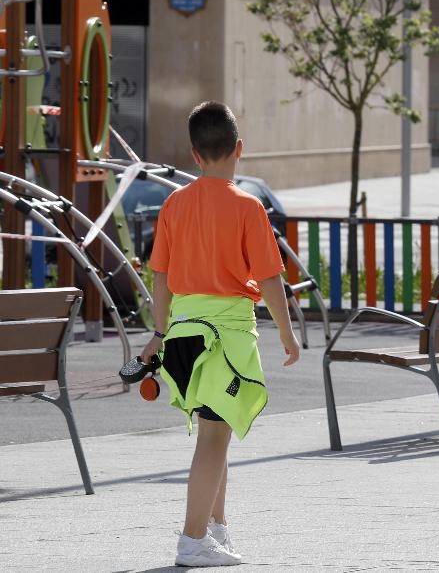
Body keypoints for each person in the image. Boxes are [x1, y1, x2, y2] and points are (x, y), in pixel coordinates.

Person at [140, 101, 301, 567]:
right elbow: (270, 279)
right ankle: (192, 542)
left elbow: (161, 277)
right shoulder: (248, 207)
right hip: (226, 336)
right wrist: (288, 336)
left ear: (194, 153)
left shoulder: (174, 204)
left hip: (185, 335)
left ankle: (215, 529)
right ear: (239, 149)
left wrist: (158, 331)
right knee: (214, 437)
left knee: (216, 430)